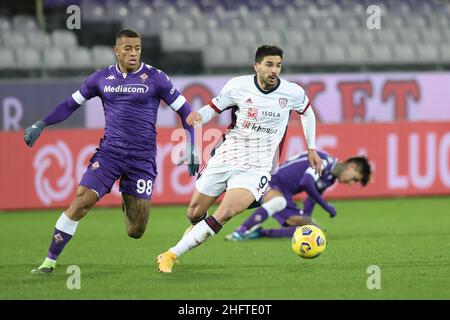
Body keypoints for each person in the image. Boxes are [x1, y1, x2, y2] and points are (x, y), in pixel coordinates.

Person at [24, 29, 199, 274]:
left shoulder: (156, 78)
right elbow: (69, 105)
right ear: (116, 50)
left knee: (135, 231)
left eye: (137, 48)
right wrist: (41, 123)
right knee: (81, 202)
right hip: (109, 154)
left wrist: (192, 143)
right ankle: (48, 262)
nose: (133, 53)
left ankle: (126, 196)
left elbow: (186, 111)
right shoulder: (100, 79)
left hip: (141, 160)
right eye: (127, 48)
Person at [156, 45, 323, 273]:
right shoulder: (238, 86)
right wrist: (198, 117)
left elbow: (308, 112)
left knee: (225, 213)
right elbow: (213, 109)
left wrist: (311, 147)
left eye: (278, 65)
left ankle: (171, 254)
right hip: (226, 157)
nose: (274, 70)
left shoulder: (292, 92)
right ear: (256, 66)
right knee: (194, 213)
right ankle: (191, 237)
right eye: (269, 65)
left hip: (256, 168)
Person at [225, 151, 372, 241]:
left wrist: (306, 219)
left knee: (313, 230)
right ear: (352, 166)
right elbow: (307, 182)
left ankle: (259, 233)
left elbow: (312, 198)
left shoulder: (330, 179)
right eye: (355, 178)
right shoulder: (326, 162)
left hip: (285, 193)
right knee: (278, 202)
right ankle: (240, 231)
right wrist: (327, 206)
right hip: (273, 181)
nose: (352, 183)